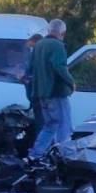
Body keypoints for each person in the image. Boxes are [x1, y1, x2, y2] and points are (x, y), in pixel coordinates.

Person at [27, 19, 75, 159]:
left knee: (49, 126)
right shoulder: (57, 46)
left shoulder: (38, 45)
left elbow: (30, 68)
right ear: (62, 33)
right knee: (64, 126)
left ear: (48, 31)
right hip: (56, 93)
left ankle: (36, 155)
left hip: (41, 94)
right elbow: (59, 67)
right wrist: (71, 82)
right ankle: (66, 156)